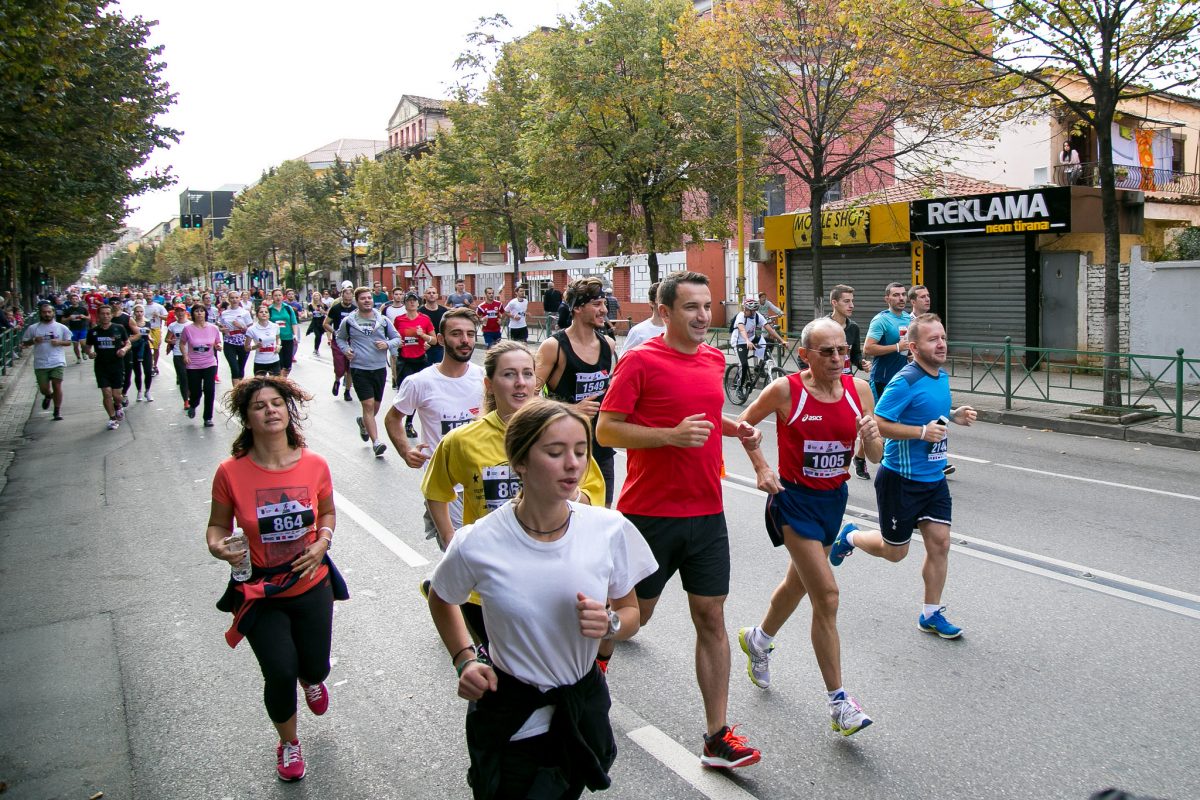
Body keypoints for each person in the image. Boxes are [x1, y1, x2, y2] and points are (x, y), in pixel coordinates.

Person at [426, 399, 657, 800]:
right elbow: (441, 596)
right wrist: (465, 659)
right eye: (555, 452)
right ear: (520, 461)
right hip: (511, 716)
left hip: (580, 712)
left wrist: (611, 624)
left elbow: (630, 611)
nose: (573, 464)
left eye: (581, 452)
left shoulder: (607, 528)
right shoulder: (478, 542)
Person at [596, 270, 764, 770]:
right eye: (691, 307)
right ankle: (588, 675)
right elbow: (606, 431)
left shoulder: (714, 360)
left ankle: (716, 736)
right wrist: (669, 436)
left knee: (711, 617)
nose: (702, 316)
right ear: (665, 313)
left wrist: (737, 429)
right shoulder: (640, 361)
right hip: (649, 515)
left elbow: (704, 416)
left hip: (707, 513)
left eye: (707, 306)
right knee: (633, 618)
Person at [734, 317, 883, 736]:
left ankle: (758, 639)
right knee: (828, 595)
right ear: (805, 355)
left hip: (833, 500)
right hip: (793, 500)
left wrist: (871, 436)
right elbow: (743, 426)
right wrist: (762, 467)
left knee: (796, 586)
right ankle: (840, 702)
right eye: (828, 352)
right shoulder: (786, 390)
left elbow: (874, 455)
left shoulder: (860, 391)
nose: (838, 359)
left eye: (843, 351)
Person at [206, 375, 347, 783]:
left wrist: (323, 542)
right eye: (259, 406)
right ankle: (289, 743)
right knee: (279, 671)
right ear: (247, 419)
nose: (270, 410)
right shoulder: (230, 473)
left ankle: (312, 679)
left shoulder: (314, 464)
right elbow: (216, 527)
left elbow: (327, 513)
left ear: (288, 412)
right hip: (259, 589)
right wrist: (218, 547)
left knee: (314, 666)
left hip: (310, 583)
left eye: (277, 403)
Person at [422, 341, 606, 644]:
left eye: (527, 374)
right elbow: (436, 489)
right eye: (509, 375)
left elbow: (593, 493)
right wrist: (449, 538)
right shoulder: (463, 440)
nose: (520, 383)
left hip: (552, 565)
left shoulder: (562, 431)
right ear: (489, 385)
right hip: (489, 576)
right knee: (500, 670)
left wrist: (559, 495)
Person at [828, 313, 977, 639]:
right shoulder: (905, 380)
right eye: (932, 339)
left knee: (940, 544)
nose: (941, 344)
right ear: (913, 346)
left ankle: (931, 613)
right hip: (900, 479)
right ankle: (850, 536)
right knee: (895, 552)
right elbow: (878, 422)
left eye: (943, 337)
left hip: (933, 479)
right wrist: (921, 432)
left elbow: (930, 410)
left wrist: (955, 415)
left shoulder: (940, 375)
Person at [385, 308, 484, 539]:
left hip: (483, 482)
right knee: (460, 551)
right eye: (457, 334)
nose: (465, 340)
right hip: (445, 487)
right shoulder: (420, 382)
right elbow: (393, 418)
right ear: (440, 339)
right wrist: (405, 451)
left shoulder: (484, 378)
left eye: (470, 334)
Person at [536, 276, 619, 507]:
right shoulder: (554, 347)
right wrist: (571, 410)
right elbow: (527, 400)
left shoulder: (608, 345)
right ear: (578, 308)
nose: (604, 310)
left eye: (604, 303)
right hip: (561, 451)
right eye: (597, 304)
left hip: (600, 451)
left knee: (601, 520)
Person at [335, 287, 401, 457]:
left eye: (369, 298)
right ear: (357, 301)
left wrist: (387, 344)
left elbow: (397, 338)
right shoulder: (349, 321)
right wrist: (346, 349)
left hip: (379, 368)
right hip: (359, 368)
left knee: (376, 406)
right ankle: (377, 442)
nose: (367, 301)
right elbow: (339, 337)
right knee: (368, 405)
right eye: (363, 298)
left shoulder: (384, 320)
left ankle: (364, 423)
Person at [827, 285, 873, 480]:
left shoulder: (853, 328)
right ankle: (831, 469)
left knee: (861, 422)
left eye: (852, 301)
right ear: (834, 303)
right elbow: (806, 358)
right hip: (827, 386)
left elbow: (854, 354)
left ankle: (857, 459)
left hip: (847, 384)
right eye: (847, 301)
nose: (851, 305)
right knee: (832, 429)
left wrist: (861, 363)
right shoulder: (822, 327)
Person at [390, 291, 435, 437]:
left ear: (418, 303)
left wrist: (423, 336)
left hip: (420, 359)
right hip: (404, 360)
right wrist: (398, 343)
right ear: (405, 303)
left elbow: (434, 340)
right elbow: (393, 338)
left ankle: (409, 423)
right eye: (409, 300)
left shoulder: (425, 319)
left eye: (414, 300)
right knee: (405, 392)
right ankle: (397, 418)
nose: (412, 303)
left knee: (418, 393)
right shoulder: (399, 320)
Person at [21, 302, 72, 420]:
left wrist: (59, 342)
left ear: (53, 313)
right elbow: (24, 343)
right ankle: (48, 396)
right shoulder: (33, 328)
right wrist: (34, 340)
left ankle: (57, 411)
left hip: (57, 361)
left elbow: (69, 342)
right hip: (41, 362)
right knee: (44, 388)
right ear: (40, 314)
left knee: (57, 385)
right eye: (44, 312)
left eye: (49, 312)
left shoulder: (61, 327)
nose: (47, 314)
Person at [85, 304, 132, 430]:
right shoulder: (93, 332)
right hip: (101, 366)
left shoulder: (119, 328)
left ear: (111, 315)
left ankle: (118, 406)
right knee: (106, 393)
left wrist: (123, 349)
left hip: (116, 365)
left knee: (116, 395)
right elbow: (87, 346)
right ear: (98, 316)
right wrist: (90, 353)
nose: (105, 316)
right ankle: (112, 418)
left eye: (107, 314)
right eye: (102, 314)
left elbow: (128, 343)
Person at [863, 282, 912, 400]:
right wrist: (897, 347)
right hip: (882, 379)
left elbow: (906, 345)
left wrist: (911, 355)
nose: (901, 298)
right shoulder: (880, 320)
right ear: (887, 299)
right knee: (880, 417)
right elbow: (868, 348)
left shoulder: (907, 318)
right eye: (896, 295)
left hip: (902, 377)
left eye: (903, 294)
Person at [180, 304, 223, 427]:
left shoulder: (213, 328)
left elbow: (217, 342)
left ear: (205, 313)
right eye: (197, 311)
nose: (199, 313)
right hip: (193, 364)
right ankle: (193, 405)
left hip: (209, 363)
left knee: (209, 390)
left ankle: (207, 418)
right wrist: (185, 355)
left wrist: (218, 346)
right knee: (196, 392)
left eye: (202, 311)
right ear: (193, 314)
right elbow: (182, 343)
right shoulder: (188, 329)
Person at [729, 297, 783, 391]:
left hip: (752, 339)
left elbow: (769, 329)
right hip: (739, 342)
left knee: (769, 343)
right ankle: (739, 387)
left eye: (747, 309)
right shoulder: (741, 316)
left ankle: (759, 367)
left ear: (753, 311)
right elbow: (741, 329)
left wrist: (782, 340)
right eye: (744, 308)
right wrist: (747, 341)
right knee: (744, 364)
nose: (744, 310)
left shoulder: (758, 316)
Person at [323, 285, 357, 401]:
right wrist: (334, 331)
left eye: (350, 299)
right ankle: (337, 380)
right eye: (346, 299)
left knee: (350, 367)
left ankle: (347, 391)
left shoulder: (355, 310)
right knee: (340, 368)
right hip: (338, 341)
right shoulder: (335, 309)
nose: (348, 302)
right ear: (342, 297)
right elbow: (326, 323)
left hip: (351, 341)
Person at [217, 290, 253, 387]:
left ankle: (240, 389)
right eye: (232, 298)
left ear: (240, 299)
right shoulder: (224, 313)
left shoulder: (245, 312)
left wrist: (241, 326)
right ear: (229, 299)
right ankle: (236, 391)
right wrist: (222, 329)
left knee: (241, 368)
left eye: (236, 298)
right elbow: (220, 326)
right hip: (229, 342)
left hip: (243, 342)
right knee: (234, 368)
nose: (234, 300)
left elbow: (251, 330)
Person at [622, 281, 665, 351]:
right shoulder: (638, 331)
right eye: (661, 298)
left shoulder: (676, 330)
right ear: (651, 303)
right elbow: (624, 358)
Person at [268, 288, 300, 378]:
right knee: (279, 362)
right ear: (272, 297)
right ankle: (281, 382)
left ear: (283, 296)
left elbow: (294, 322)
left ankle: (283, 379)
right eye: (275, 295)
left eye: (279, 295)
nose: (278, 297)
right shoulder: (269, 309)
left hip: (288, 337)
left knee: (288, 364)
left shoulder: (288, 308)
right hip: (276, 339)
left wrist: (295, 335)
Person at [164, 305, 191, 410]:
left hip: (191, 354)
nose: (180, 313)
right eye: (177, 311)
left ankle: (191, 394)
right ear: (175, 313)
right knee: (183, 377)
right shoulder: (173, 326)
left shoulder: (191, 324)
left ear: (185, 312)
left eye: (182, 311)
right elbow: (167, 339)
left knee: (191, 377)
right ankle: (186, 401)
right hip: (178, 354)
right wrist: (171, 341)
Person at [246, 303, 284, 376]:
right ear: (257, 315)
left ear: (269, 315)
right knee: (259, 385)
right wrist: (255, 346)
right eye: (261, 312)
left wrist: (278, 345)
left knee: (275, 384)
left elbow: (278, 339)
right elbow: (246, 348)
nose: (264, 313)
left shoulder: (275, 326)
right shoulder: (251, 329)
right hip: (260, 361)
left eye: (266, 312)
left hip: (274, 360)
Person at [127, 305, 155, 402]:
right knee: (137, 372)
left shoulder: (147, 322)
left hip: (145, 348)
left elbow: (149, 333)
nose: (139, 313)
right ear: (134, 312)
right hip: (135, 348)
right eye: (137, 311)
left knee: (148, 371)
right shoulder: (131, 323)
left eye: (141, 311)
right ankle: (139, 391)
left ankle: (147, 391)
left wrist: (151, 339)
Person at [60, 291, 90, 363]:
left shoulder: (83, 309)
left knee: (83, 343)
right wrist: (69, 318)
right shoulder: (68, 310)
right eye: (73, 299)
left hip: (82, 328)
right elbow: (62, 320)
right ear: (70, 300)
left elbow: (89, 317)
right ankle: (78, 358)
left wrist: (84, 317)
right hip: (73, 329)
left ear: (78, 300)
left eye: (76, 299)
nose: (74, 300)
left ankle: (83, 352)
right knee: (75, 345)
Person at [420, 286, 447, 364]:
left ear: (437, 295)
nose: (431, 294)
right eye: (429, 293)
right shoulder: (420, 312)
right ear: (424, 296)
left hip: (440, 347)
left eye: (433, 293)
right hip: (425, 347)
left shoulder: (444, 311)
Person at [145, 293, 169, 374]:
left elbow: (167, 317)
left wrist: (158, 315)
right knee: (148, 348)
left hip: (156, 329)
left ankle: (155, 365)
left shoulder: (159, 306)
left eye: (150, 296)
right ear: (145, 297)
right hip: (146, 330)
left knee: (156, 348)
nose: (148, 297)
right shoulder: (142, 307)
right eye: (147, 296)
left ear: (153, 297)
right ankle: (150, 365)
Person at [305, 290, 326, 355]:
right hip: (315, 322)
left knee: (320, 336)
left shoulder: (323, 305)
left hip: (322, 322)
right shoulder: (311, 305)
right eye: (314, 296)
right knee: (317, 335)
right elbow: (307, 313)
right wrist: (309, 313)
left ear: (320, 297)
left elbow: (328, 313)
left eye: (317, 295)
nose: (316, 297)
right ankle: (316, 349)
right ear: (313, 297)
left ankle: (317, 349)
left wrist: (323, 311)